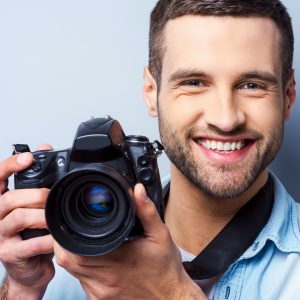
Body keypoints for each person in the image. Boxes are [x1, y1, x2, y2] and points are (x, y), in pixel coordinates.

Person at [0, 0, 298, 299]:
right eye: (194, 82)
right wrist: (23, 289)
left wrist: (171, 293)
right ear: (151, 92)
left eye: (252, 85)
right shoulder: (65, 248)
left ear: (287, 97)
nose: (225, 118)